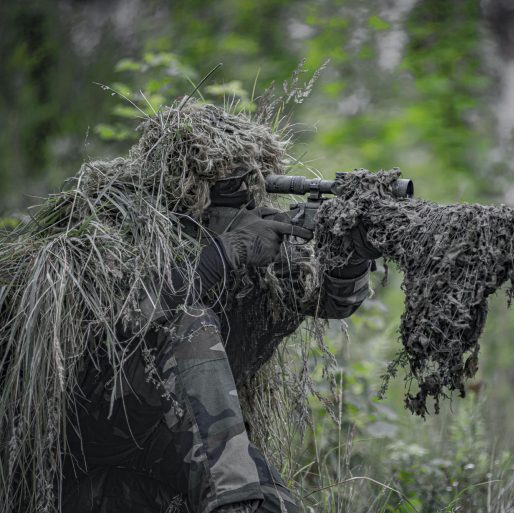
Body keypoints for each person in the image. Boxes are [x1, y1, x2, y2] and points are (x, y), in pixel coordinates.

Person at [61, 166, 381, 513]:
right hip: (86, 447)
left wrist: (351, 257)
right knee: (192, 323)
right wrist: (223, 255)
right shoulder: (129, 230)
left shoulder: (255, 251)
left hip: (164, 443)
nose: (243, 215)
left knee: (272, 504)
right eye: (229, 204)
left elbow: (327, 301)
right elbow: (123, 320)